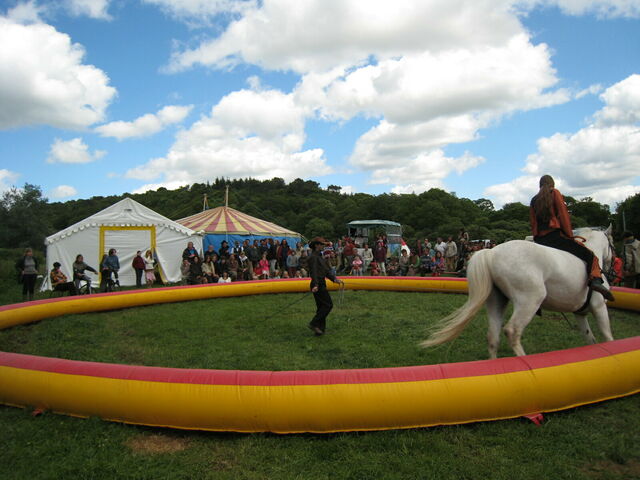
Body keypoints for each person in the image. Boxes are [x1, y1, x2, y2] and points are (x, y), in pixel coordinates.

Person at [529, 174, 614, 301]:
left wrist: (537, 238)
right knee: (590, 255)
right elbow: (563, 215)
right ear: (552, 184)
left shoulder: (533, 200)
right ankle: (596, 280)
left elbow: (533, 222)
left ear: (540, 185)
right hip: (555, 237)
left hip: (540, 240)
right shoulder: (554, 193)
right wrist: (569, 235)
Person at [307, 237, 344, 336]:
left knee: (321, 307)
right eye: (322, 244)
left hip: (320, 283)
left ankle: (320, 330)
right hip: (318, 284)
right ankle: (314, 323)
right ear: (316, 245)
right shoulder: (313, 257)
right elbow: (313, 272)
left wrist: (334, 279)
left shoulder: (319, 256)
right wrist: (315, 284)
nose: (323, 246)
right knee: (328, 305)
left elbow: (326, 271)